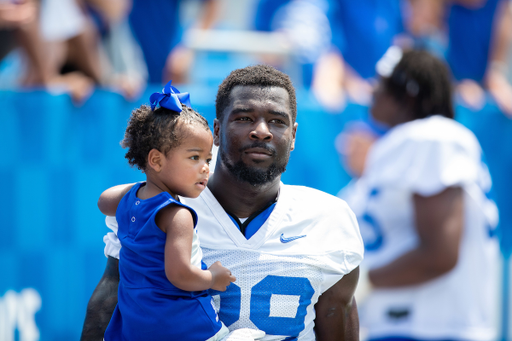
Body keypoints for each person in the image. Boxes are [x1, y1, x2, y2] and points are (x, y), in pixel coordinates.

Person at [80, 64, 364, 341]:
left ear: (293, 137)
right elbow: (111, 293)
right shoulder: (159, 206)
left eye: (277, 121)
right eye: (243, 118)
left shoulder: (330, 218)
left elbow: (337, 314)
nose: (261, 131)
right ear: (216, 131)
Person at [342, 49, 500, 340]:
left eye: (382, 82)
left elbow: (439, 253)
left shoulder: (432, 137)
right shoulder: (400, 146)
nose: (372, 89)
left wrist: (363, 281)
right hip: (398, 326)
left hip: (430, 328)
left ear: (409, 93)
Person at [96, 81, 236, 340]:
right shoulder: (178, 215)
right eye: (194, 158)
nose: (205, 168)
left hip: (134, 326)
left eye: (207, 159)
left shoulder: (130, 199)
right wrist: (213, 278)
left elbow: (104, 201)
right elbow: (180, 274)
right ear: (156, 160)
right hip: (183, 327)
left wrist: (150, 182)